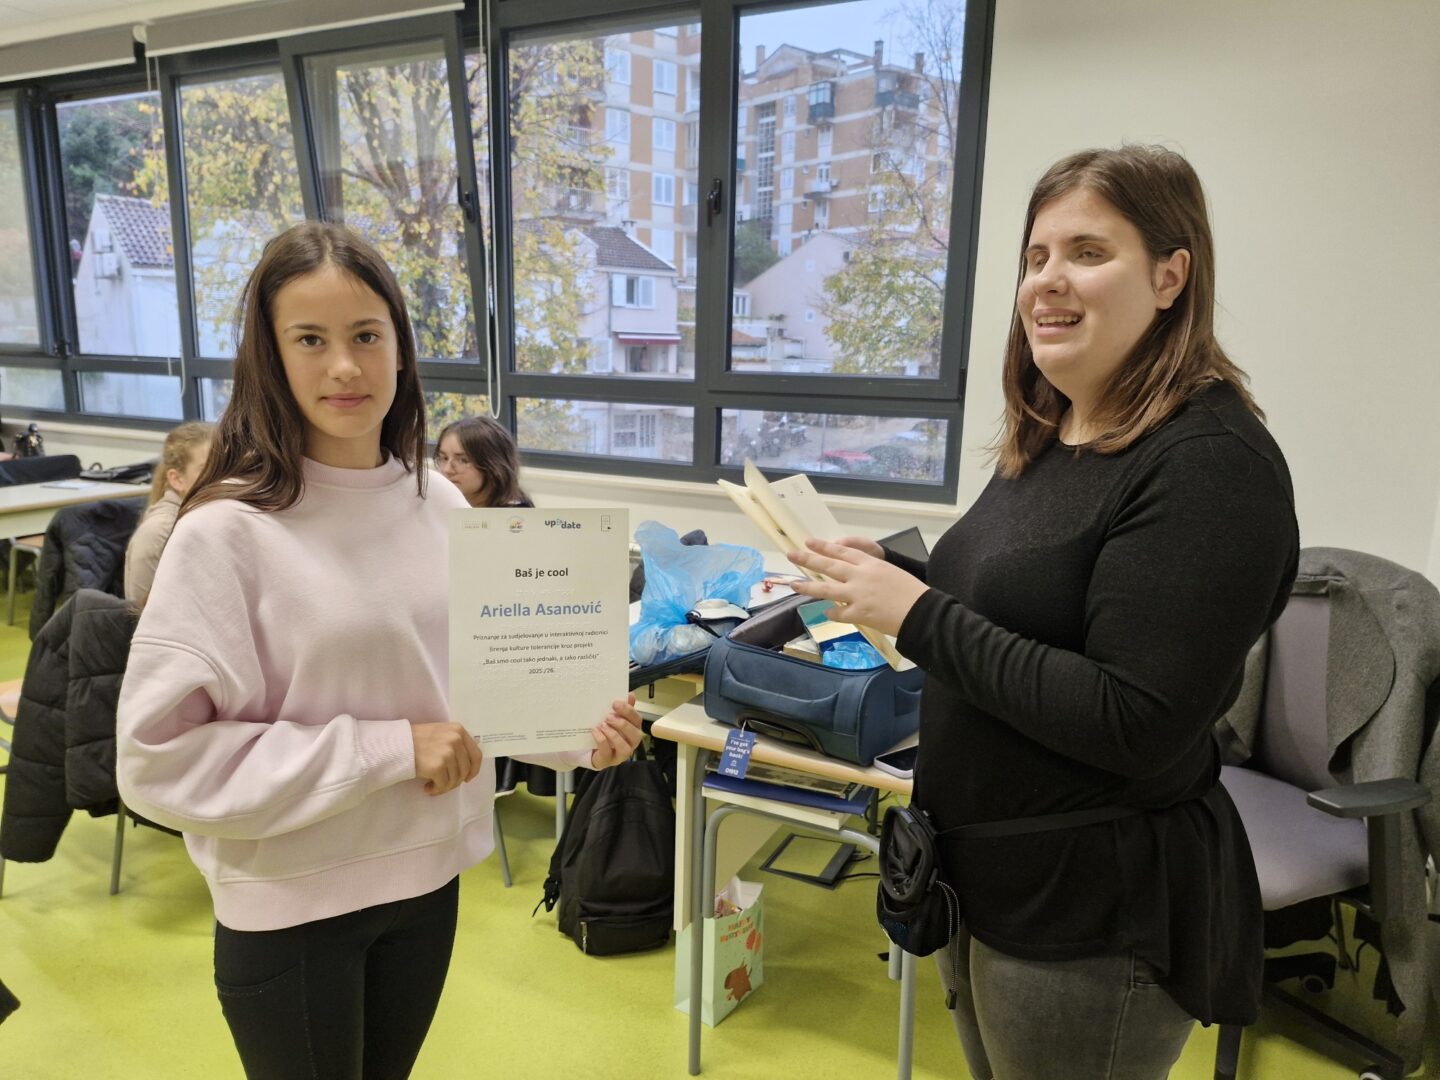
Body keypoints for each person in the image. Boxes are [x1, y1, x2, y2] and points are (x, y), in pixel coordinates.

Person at [788, 146, 1299, 1080]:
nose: (1047, 282)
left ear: (1171, 277)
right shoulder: (1056, 429)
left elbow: (1135, 717)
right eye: (1035, 257)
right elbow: (1030, 604)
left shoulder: (1211, 465)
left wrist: (918, 616)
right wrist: (897, 577)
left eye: (1087, 253)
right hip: (979, 876)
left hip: (1087, 910)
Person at [115, 221, 644, 1080]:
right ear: (269, 356)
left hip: (426, 886)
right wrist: (389, 750)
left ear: (399, 348)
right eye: (310, 340)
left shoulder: (439, 502)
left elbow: (473, 685)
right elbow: (155, 760)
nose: (345, 367)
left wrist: (579, 735)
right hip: (292, 904)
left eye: (366, 335)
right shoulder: (225, 533)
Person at [123, 420, 212, 606]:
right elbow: (140, 613)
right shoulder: (157, 533)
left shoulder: (215, 518)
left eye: (226, 467)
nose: (222, 477)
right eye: (207, 469)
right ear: (177, 479)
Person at [434, 415, 531, 508]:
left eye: (463, 460)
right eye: (444, 458)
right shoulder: (438, 505)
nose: (447, 470)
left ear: (493, 466)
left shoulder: (516, 514)